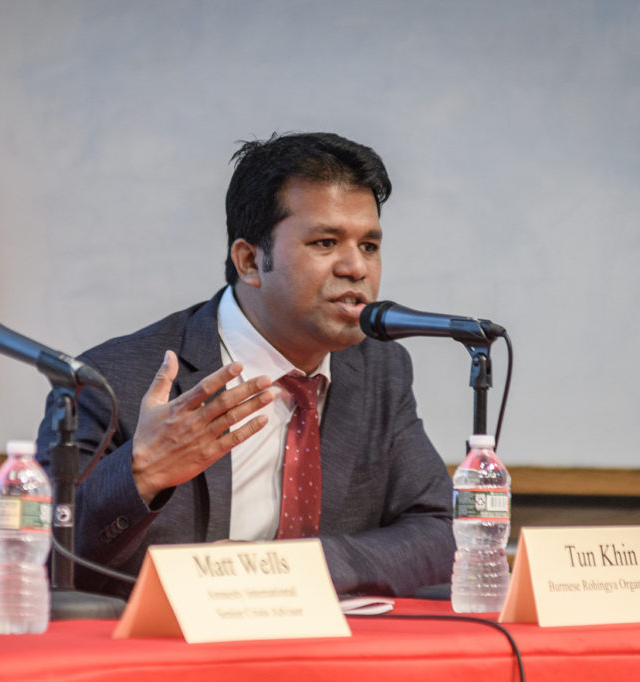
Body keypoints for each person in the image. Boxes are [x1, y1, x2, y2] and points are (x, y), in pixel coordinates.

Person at [37, 132, 454, 598]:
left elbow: (439, 534)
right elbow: (44, 557)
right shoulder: (110, 379)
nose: (356, 267)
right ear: (250, 261)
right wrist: (142, 475)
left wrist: (288, 569)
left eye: (370, 246)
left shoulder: (380, 369)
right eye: (325, 242)